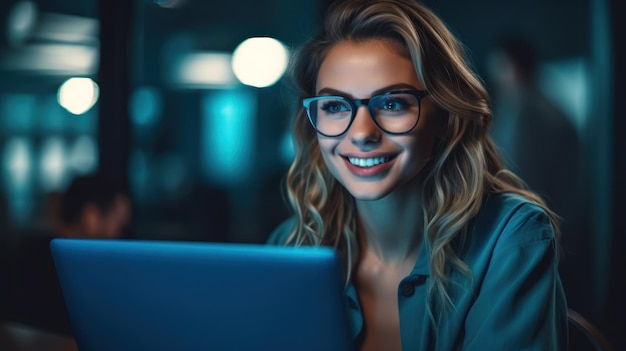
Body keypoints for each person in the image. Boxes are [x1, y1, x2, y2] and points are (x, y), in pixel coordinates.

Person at [267, 0, 568, 350]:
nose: (362, 133)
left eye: (392, 103)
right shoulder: (291, 245)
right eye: (334, 106)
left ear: (443, 115)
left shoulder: (510, 238)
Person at [3, 173, 132, 336]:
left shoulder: (23, 252)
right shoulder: (73, 271)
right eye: (118, 226)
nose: (119, 237)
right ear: (90, 217)